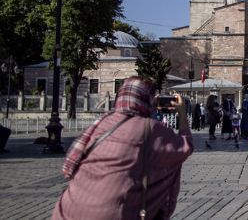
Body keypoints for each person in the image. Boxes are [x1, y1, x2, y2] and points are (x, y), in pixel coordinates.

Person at [53, 77, 193, 220]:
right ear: (147, 99)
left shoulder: (102, 122)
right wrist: (182, 113)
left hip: (67, 210)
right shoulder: (150, 128)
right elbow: (185, 146)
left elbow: (71, 162)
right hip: (111, 213)